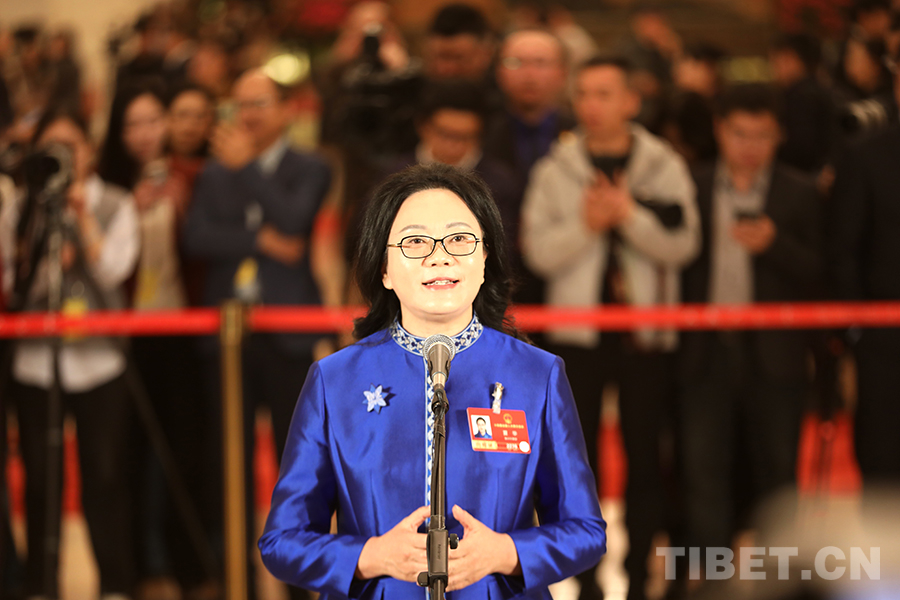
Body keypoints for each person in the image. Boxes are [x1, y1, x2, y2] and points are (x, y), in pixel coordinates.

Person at [259, 163, 606, 599]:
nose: (439, 256)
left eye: (459, 239)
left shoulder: (537, 374)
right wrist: (370, 556)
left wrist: (506, 553)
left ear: (485, 260)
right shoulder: (335, 379)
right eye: (415, 241)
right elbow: (281, 542)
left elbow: (586, 531)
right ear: (384, 269)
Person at [521, 55, 699, 600]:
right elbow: (537, 251)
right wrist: (588, 224)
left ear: (630, 102)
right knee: (578, 465)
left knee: (647, 458)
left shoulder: (662, 163)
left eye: (604, 94)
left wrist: (629, 217)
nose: (591, 105)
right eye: (583, 94)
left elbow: (685, 244)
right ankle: (588, 580)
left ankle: (642, 575)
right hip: (576, 337)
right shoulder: (555, 168)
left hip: (646, 336)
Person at [183, 68, 331, 600]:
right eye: (238, 105)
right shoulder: (212, 172)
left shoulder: (310, 166)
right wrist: (260, 240)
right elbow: (197, 236)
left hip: (288, 331)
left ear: (287, 110)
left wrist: (247, 169)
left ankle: (299, 581)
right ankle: (235, 581)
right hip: (228, 337)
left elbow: (294, 220)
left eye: (259, 103)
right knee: (228, 462)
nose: (246, 115)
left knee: (299, 465)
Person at [679, 84, 823, 592]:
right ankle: (712, 584)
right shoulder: (691, 185)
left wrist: (775, 245)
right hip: (705, 348)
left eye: (762, 135)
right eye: (740, 133)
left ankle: (777, 582)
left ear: (779, 135)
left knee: (778, 470)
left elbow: (824, 273)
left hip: (776, 352)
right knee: (703, 470)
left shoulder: (800, 191)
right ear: (720, 130)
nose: (750, 146)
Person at [0, 107, 139, 600]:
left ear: (89, 150)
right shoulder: (21, 208)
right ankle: (41, 584)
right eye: (51, 149)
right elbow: (13, 285)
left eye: (71, 147)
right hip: (37, 362)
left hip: (101, 361)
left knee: (105, 475)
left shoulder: (115, 201)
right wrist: (44, 250)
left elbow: (115, 271)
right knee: (41, 478)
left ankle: (115, 584)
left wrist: (81, 217)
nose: (62, 157)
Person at [97, 80, 208, 600]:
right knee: (130, 456)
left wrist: (184, 210)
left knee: (186, 449)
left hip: (182, 329)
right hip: (126, 333)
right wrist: (128, 213)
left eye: (152, 120)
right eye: (132, 124)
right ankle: (141, 569)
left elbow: (203, 253)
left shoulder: (191, 176)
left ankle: (191, 568)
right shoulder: (108, 188)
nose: (144, 133)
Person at [829, 49, 900, 485]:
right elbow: (844, 252)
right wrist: (855, 333)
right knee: (884, 462)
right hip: (885, 344)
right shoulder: (866, 156)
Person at [485, 28, 574, 304]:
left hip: (567, 267)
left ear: (562, 73)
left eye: (541, 63)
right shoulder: (481, 134)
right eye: (516, 63)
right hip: (498, 272)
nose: (529, 74)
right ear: (499, 72)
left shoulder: (582, 134)